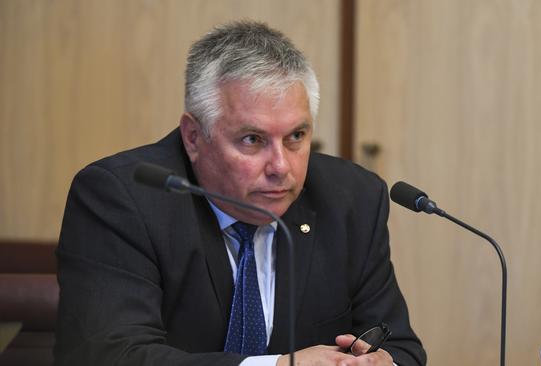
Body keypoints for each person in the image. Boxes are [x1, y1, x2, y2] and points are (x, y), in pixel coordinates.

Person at [55, 21, 426, 366]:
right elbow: (110, 355)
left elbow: (403, 348)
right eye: (253, 139)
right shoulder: (122, 198)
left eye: (296, 136)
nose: (281, 166)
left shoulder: (351, 199)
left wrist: (380, 362)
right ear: (194, 137)